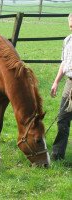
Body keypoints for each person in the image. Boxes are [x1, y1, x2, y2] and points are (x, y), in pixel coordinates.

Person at [50, 13, 72, 160]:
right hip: (69, 83)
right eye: (70, 21)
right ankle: (57, 156)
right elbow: (64, 63)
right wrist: (56, 81)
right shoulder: (68, 40)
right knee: (62, 119)